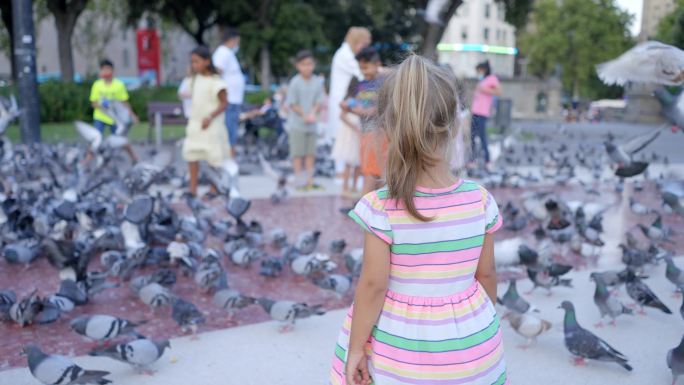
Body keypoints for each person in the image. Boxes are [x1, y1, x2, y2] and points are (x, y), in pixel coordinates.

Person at [330, 55, 507, 385]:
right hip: (473, 351)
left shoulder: (381, 208)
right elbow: (486, 274)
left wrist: (356, 349)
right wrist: (480, 324)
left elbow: (373, 285)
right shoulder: (480, 200)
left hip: (401, 354)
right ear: (453, 126)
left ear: (386, 130)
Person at [182, 46, 231, 197]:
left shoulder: (216, 82)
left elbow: (224, 103)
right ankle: (193, 188)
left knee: (213, 158)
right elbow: (183, 93)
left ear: (207, 61)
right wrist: (189, 77)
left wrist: (210, 116)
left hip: (211, 125)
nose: (194, 65)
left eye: (197, 61)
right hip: (196, 123)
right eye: (192, 62)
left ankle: (214, 188)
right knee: (191, 155)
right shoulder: (194, 80)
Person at [341, 47, 385, 196]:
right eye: (361, 68)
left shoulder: (383, 83)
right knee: (370, 169)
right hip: (366, 131)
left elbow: (382, 109)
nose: (364, 71)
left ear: (377, 63)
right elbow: (347, 103)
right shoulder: (360, 84)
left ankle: (364, 203)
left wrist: (364, 111)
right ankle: (369, 204)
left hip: (380, 132)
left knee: (373, 171)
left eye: (366, 67)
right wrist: (348, 106)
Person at [285, 50, 326, 191]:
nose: (307, 67)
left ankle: (309, 178)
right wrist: (304, 114)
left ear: (313, 65)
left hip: (312, 124)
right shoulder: (295, 82)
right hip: (297, 124)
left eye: (309, 64)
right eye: (303, 64)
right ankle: (299, 179)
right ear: (298, 66)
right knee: (298, 154)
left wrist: (313, 113)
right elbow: (292, 103)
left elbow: (319, 101)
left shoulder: (317, 82)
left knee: (310, 153)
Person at [88, 59, 139, 164]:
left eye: (108, 69)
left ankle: (134, 158)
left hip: (115, 119)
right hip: (101, 117)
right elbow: (93, 103)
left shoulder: (118, 85)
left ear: (112, 70)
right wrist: (102, 105)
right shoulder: (97, 85)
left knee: (121, 139)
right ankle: (87, 160)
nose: (106, 72)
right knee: (95, 139)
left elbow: (124, 102)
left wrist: (132, 115)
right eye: (103, 70)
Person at [328, 27, 371, 148]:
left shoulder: (348, 54)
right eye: (364, 44)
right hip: (342, 100)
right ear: (357, 41)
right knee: (342, 143)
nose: (365, 49)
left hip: (348, 100)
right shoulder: (344, 55)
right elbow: (362, 73)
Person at [212, 28, 245, 156]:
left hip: (234, 99)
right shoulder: (222, 53)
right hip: (229, 99)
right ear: (233, 40)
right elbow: (218, 73)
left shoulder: (228, 53)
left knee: (232, 130)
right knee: (229, 131)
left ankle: (230, 157)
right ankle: (228, 158)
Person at [470, 60, 501, 166]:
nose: (478, 73)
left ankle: (487, 160)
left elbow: (498, 92)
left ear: (484, 70)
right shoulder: (482, 80)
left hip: (483, 112)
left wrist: (484, 90)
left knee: (482, 137)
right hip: (475, 111)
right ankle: (473, 160)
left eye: (479, 70)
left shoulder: (492, 79)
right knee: (472, 137)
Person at [337, 78, 362, 198]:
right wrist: (354, 126)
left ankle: (354, 187)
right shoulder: (350, 100)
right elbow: (342, 116)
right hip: (351, 133)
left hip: (359, 131)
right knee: (349, 161)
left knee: (358, 162)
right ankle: (345, 187)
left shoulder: (360, 100)